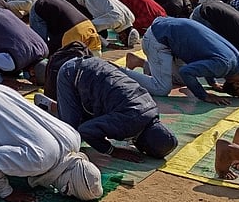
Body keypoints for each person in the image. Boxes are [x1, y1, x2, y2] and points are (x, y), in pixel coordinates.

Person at [0, 83, 103, 202]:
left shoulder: (74, 139)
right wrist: (7, 192)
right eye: (66, 189)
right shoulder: (39, 161)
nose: (61, 190)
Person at [34, 56, 178, 162]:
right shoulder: (130, 123)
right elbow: (86, 130)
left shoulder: (151, 109)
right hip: (72, 75)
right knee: (71, 137)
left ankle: (55, 106)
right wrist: (112, 151)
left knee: (84, 120)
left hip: (92, 68)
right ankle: (38, 115)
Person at [122, 17, 239, 104]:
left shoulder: (236, 61)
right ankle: (118, 71)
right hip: (157, 39)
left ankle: (138, 62)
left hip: (165, 30)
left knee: (185, 81)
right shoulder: (224, 66)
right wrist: (204, 95)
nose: (231, 92)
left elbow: (209, 58)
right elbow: (186, 71)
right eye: (236, 92)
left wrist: (212, 83)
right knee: (162, 88)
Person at [30, 0, 102, 55]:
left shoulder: (92, 35)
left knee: (51, 48)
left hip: (56, 6)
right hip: (40, 8)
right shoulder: (71, 38)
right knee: (40, 47)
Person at [72, 0, 139, 47]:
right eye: (122, 40)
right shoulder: (115, 21)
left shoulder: (131, 17)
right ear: (124, 35)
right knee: (87, 32)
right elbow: (90, 27)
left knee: (103, 34)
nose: (120, 40)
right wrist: (107, 44)